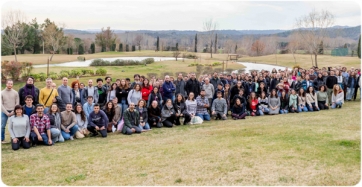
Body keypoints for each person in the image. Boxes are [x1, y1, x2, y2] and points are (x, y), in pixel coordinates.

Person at [2, 79, 19, 143]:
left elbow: (17, 103)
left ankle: (14, 138)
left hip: (13, 111)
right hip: (4, 112)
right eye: (8, 83)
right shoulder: (1, 93)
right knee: (2, 126)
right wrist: (6, 112)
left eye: (11, 84)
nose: (10, 85)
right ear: (6, 84)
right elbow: (1, 104)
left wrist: (13, 111)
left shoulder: (15, 93)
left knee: (14, 126)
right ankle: (2, 139)